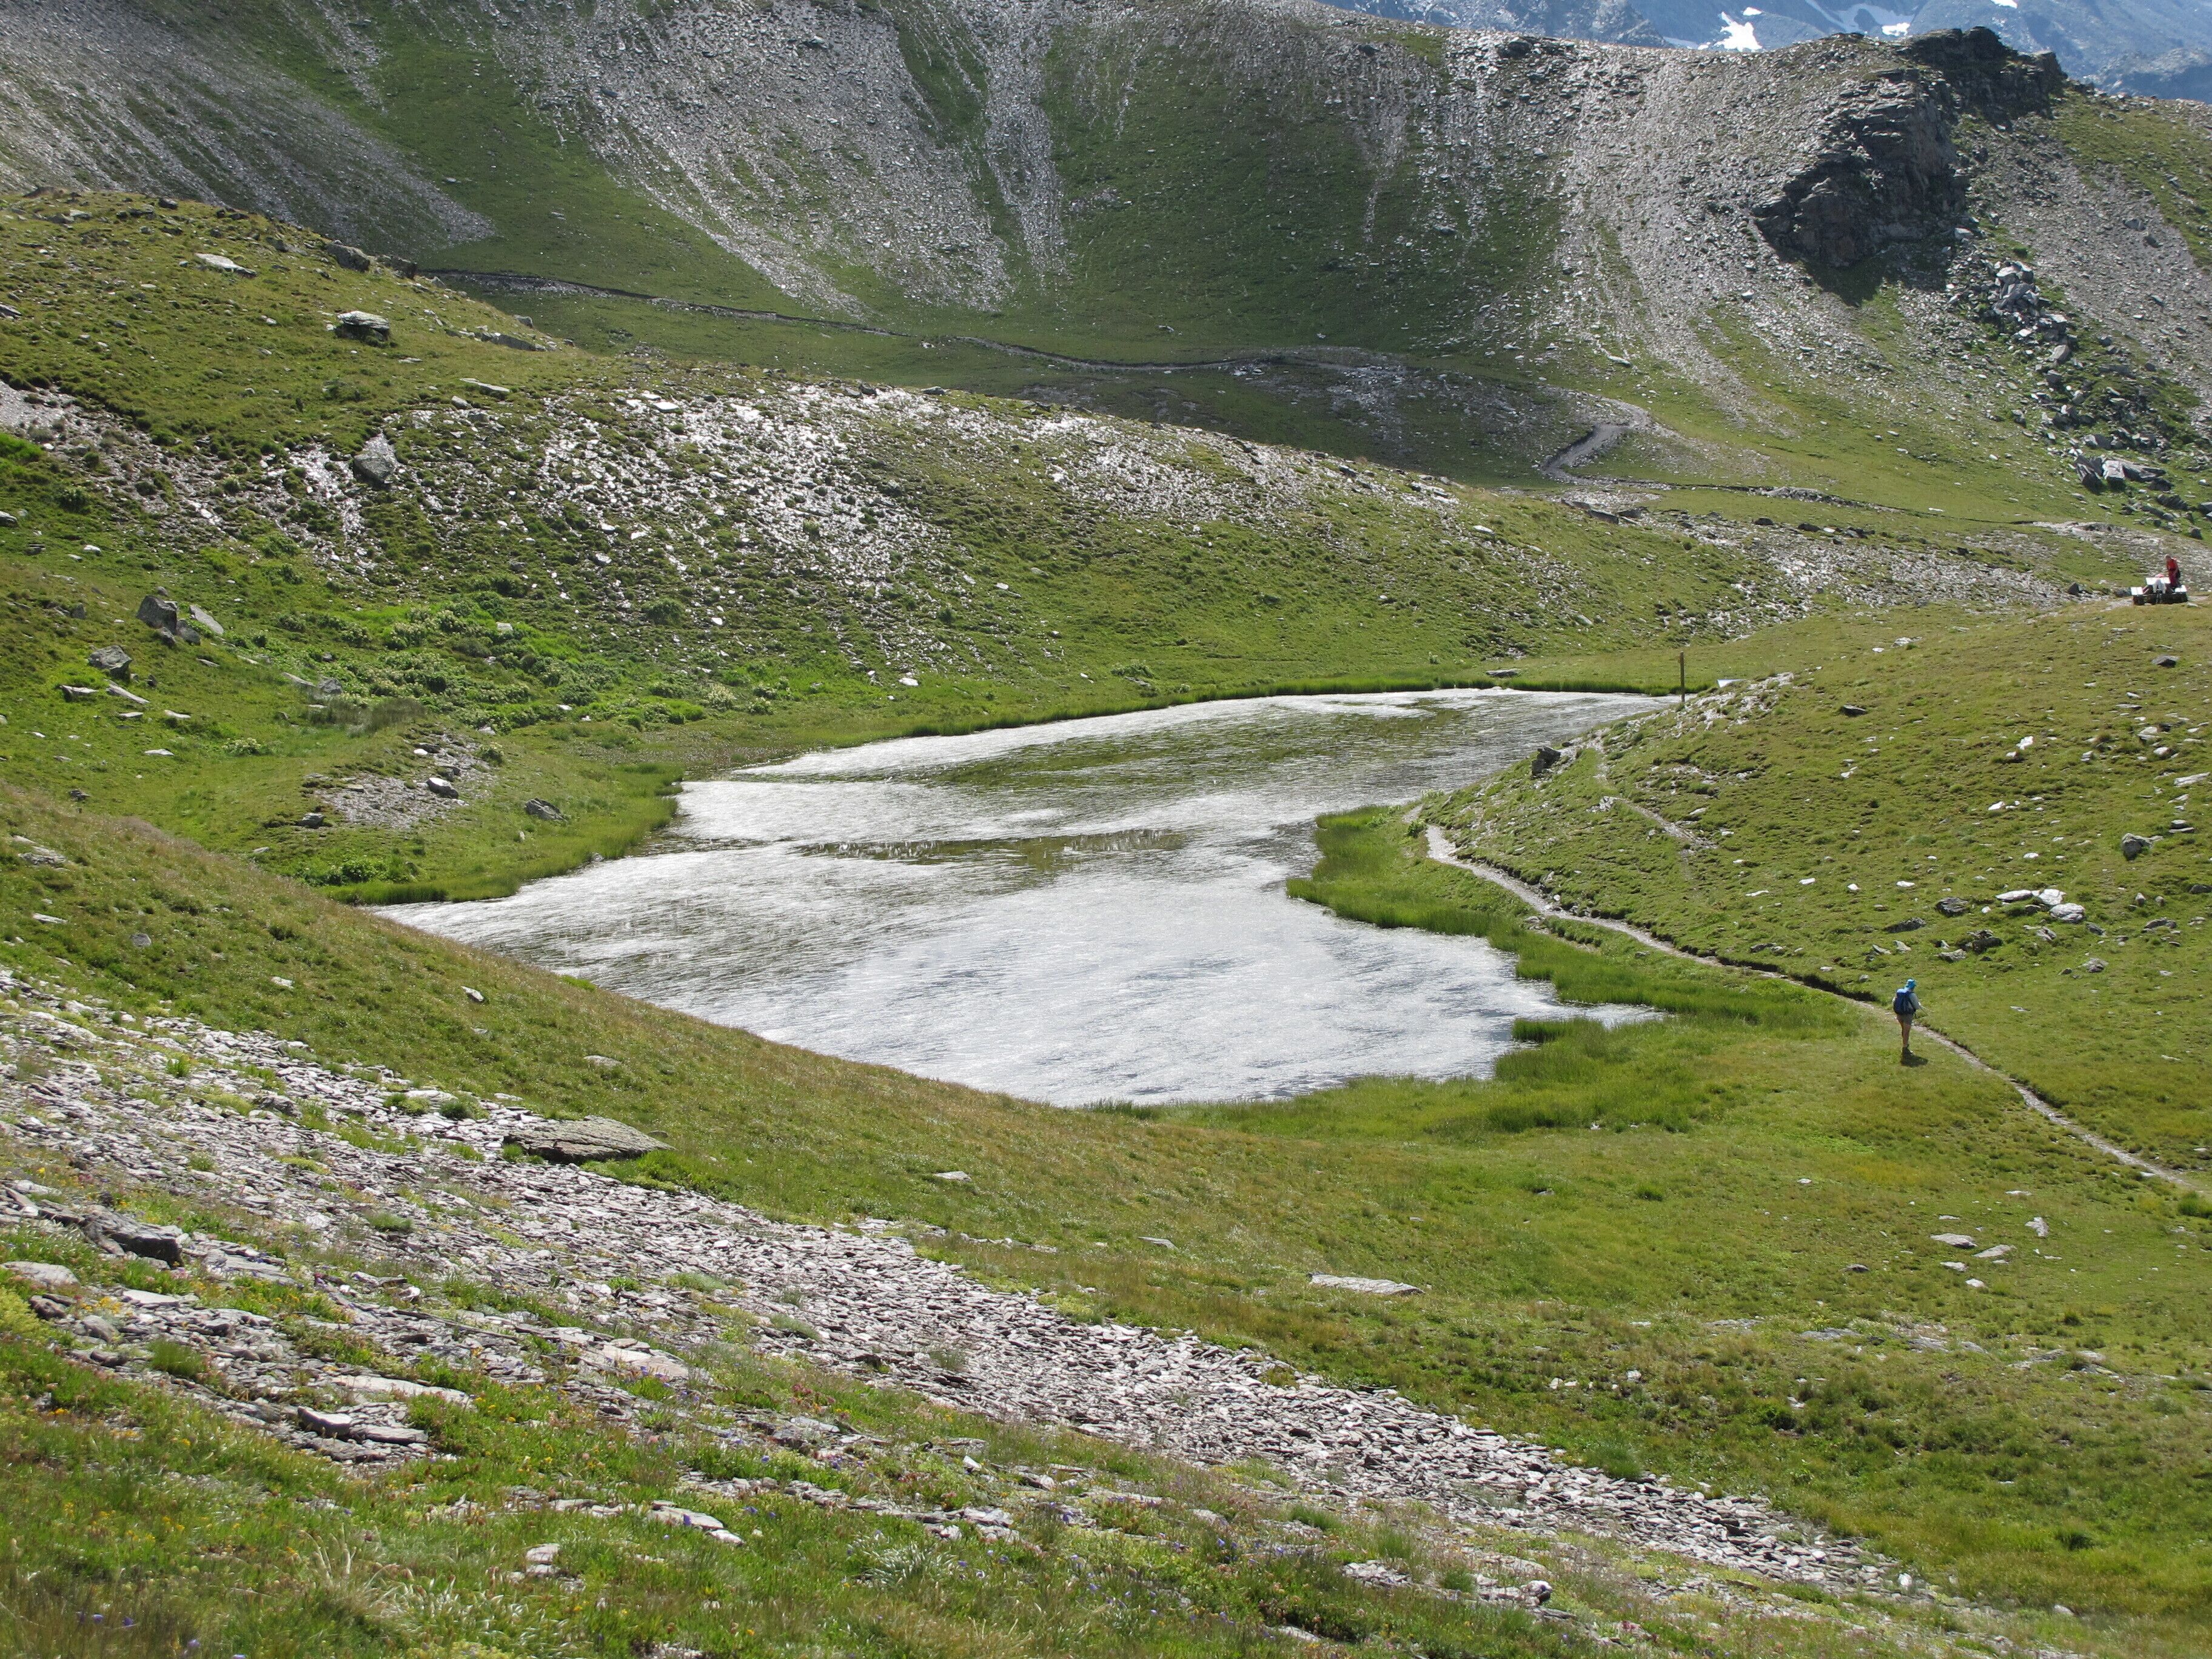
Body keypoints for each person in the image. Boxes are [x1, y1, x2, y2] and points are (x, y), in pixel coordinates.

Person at [1892, 977, 1920, 1060]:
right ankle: (1905, 1048)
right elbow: (1917, 1007)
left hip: (1899, 1014)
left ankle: (1905, 1045)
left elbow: (1894, 1001)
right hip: (1908, 1015)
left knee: (1903, 1030)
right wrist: (1919, 1005)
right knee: (1906, 1032)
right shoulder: (1912, 995)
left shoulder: (1899, 993)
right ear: (1913, 987)